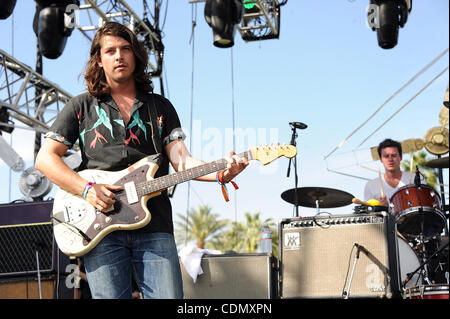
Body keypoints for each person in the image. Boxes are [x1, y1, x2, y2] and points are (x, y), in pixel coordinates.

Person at [35, 21, 248, 299]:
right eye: (110, 51)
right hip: (101, 228)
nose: (119, 56)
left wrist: (221, 172)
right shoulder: (81, 106)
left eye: (125, 49)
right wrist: (87, 189)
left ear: (136, 55)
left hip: (155, 226)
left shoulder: (159, 106)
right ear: (99, 60)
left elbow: (182, 162)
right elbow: (45, 159)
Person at [364, 138, 422, 206]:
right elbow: (369, 213)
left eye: (393, 155)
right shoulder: (371, 186)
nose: (390, 159)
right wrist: (381, 208)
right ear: (381, 159)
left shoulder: (416, 178)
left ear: (400, 157)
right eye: (386, 156)